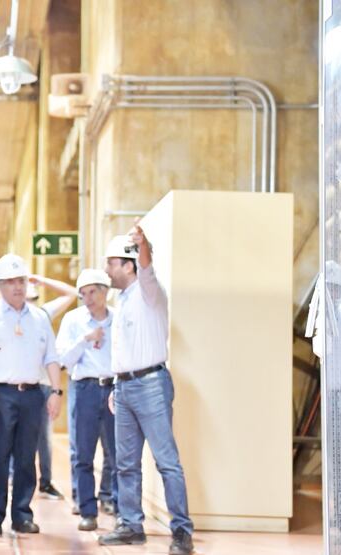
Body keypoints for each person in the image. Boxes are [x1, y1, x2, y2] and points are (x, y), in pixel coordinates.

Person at [99, 228, 194, 555]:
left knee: (167, 462)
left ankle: (181, 531)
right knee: (125, 463)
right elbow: (123, 348)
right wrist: (115, 384)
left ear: (129, 264)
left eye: (111, 263)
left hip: (151, 384)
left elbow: (148, 266)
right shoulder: (121, 300)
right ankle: (130, 525)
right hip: (124, 387)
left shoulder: (148, 291)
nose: (107, 269)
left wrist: (143, 244)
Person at [0, 254, 63, 535]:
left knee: (27, 458)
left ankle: (22, 514)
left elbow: (51, 356)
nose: (17, 287)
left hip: (33, 394)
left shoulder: (40, 318)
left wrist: (56, 391)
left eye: (21, 281)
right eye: (10, 282)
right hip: (0, 394)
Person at [56, 269, 117, 532]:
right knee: (83, 453)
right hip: (85, 389)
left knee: (116, 453)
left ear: (105, 291)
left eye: (93, 292)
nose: (88, 298)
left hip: (114, 388)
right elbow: (63, 360)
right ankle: (87, 510)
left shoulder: (118, 318)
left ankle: (115, 502)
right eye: (83, 294)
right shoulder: (73, 321)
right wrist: (84, 340)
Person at [26, 274, 77, 501]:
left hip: (43, 385)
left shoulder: (42, 315)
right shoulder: (1, 317)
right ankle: (12, 477)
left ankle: (45, 482)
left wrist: (42, 280)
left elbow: (72, 294)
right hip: (16, 385)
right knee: (13, 433)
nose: (30, 303)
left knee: (43, 439)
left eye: (34, 298)